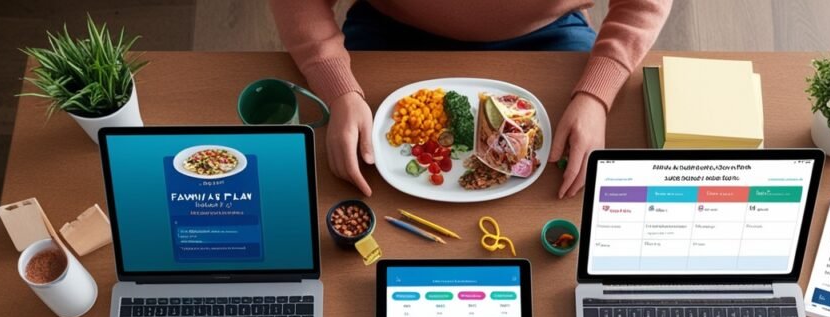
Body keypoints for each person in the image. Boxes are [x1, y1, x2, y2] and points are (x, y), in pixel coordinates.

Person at [271, 0, 673, 199]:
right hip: (391, 25)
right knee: (346, 184)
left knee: (568, 192)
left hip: (549, 30)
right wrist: (338, 89)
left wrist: (597, 93)